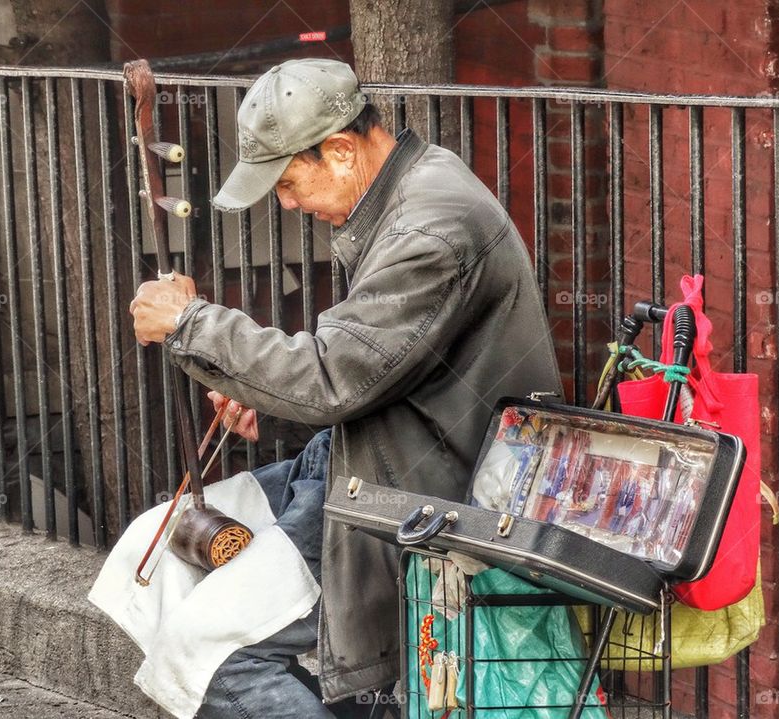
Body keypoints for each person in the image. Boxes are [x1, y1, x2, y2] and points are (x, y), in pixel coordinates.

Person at [129, 58, 561, 718]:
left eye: (289, 182)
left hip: (417, 495)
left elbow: (334, 375)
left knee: (209, 654)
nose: (288, 203)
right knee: (154, 557)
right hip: (366, 466)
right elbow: (375, 373)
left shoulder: (432, 225)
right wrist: (263, 395)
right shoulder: (409, 192)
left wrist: (194, 326)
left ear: (338, 149)